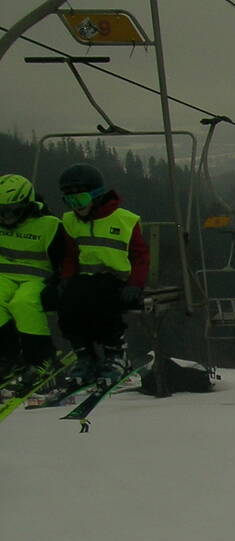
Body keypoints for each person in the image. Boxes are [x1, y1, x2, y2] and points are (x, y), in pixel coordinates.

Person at [55, 163, 147, 383]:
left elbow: (140, 256)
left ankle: (116, 354)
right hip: (85, 279)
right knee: (68, 304)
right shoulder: (71, 221)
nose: (77, 206)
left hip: (116, 279)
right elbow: (70, 254)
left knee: (103, 303)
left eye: (81, 199)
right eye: (70, 201)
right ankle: (84, 355)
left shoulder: (124, 220)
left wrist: (135, 283)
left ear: (96, 195)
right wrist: (66, 278)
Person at [0, 173, 66, 385]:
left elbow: (63, 260)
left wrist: (58, 283)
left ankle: (41, 357)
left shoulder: (48, 225)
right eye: (1, 212)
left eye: (12, 211)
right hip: (4, 276)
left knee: (23, 303)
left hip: (36, 278)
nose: (6, 218)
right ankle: (7, 355)